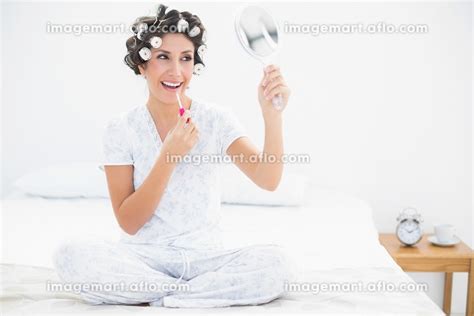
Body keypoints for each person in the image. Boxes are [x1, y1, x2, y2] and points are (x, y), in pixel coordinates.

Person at [53, 3, 293, 308]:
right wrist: (169, 156)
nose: (176, 72)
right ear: (142, 65)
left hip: (207, 259)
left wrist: (272, 116)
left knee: (279, 264)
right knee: (71, 253)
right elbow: (129, 222)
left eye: (186, 59)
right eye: (163, 57)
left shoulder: (216, 119)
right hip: (144, 258)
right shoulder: (121, 129)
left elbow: (268, 178)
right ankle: (192, 295)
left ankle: (163, 295)